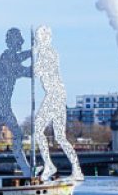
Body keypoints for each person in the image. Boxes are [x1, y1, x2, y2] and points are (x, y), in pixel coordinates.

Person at [31, 26, 83, 181]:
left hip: (54, 94)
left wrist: (32, 55)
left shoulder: (48, 52)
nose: (39, 39)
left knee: (38, 129)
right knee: (60, 137)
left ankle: (49, 164)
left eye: (41, 36)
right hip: (58, 94)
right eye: (37, 36)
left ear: (47, 38)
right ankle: (77, 169)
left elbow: (37, 72)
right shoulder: (46, 52)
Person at [0, 27, 33, 176]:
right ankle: (27, 172)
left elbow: (20, 58)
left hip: (0, 101)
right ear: (13, 42)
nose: (21, 42)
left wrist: (33, 52)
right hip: (2, 103)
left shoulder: (10, 56)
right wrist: (35, 62)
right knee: (17, 135)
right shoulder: (6, 57)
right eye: (19, 40)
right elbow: (23, 70)